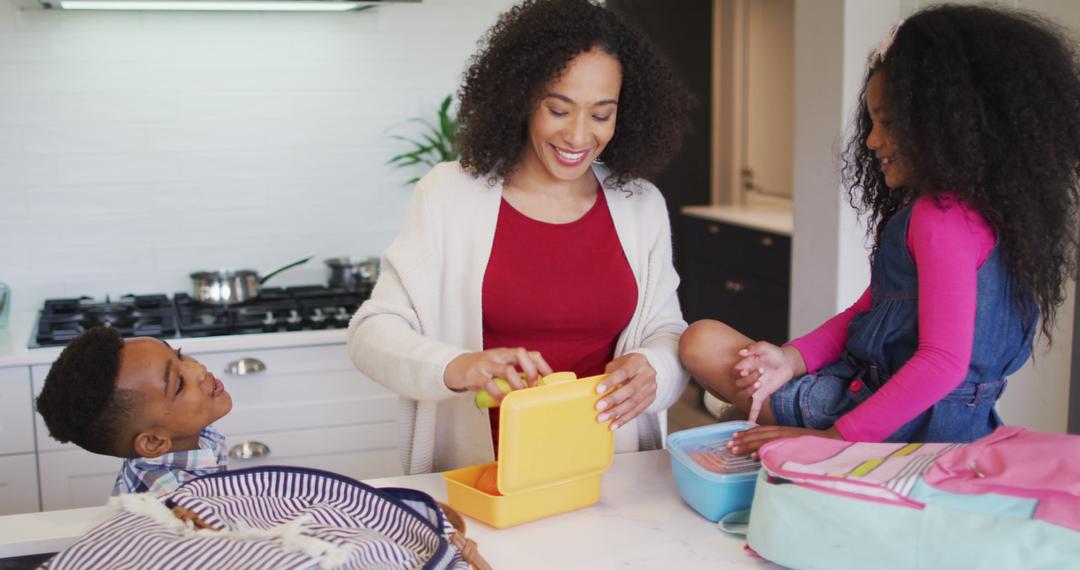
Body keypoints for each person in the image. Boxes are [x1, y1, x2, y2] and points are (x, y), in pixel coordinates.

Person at [680, 4, 1080, 457]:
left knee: (703, 345)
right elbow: (870, 309)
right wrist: (789, 359)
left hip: (903, 424)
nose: (871, 141)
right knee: (733, 401)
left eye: (887, 122)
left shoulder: (939, 217)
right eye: (872, 122)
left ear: (948, 122)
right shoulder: (1000, 219)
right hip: (946, 418)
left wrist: (832, 440)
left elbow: (942, 365)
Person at [347, 0, 693, 474]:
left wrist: (657, 368)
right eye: (558, 108)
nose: (578, 136)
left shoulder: (640, 204)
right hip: (479, 475)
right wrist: (461, 366)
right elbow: (372, 332)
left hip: (609, 474)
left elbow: (667, 331)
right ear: (522, 96)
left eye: (601, 114)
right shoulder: (449, 194)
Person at [36, 327, 232, 495]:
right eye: (179, 385)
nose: (198, 369)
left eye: (178, 355)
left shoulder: (189, 436)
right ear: (153, 442)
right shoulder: (177, 501)